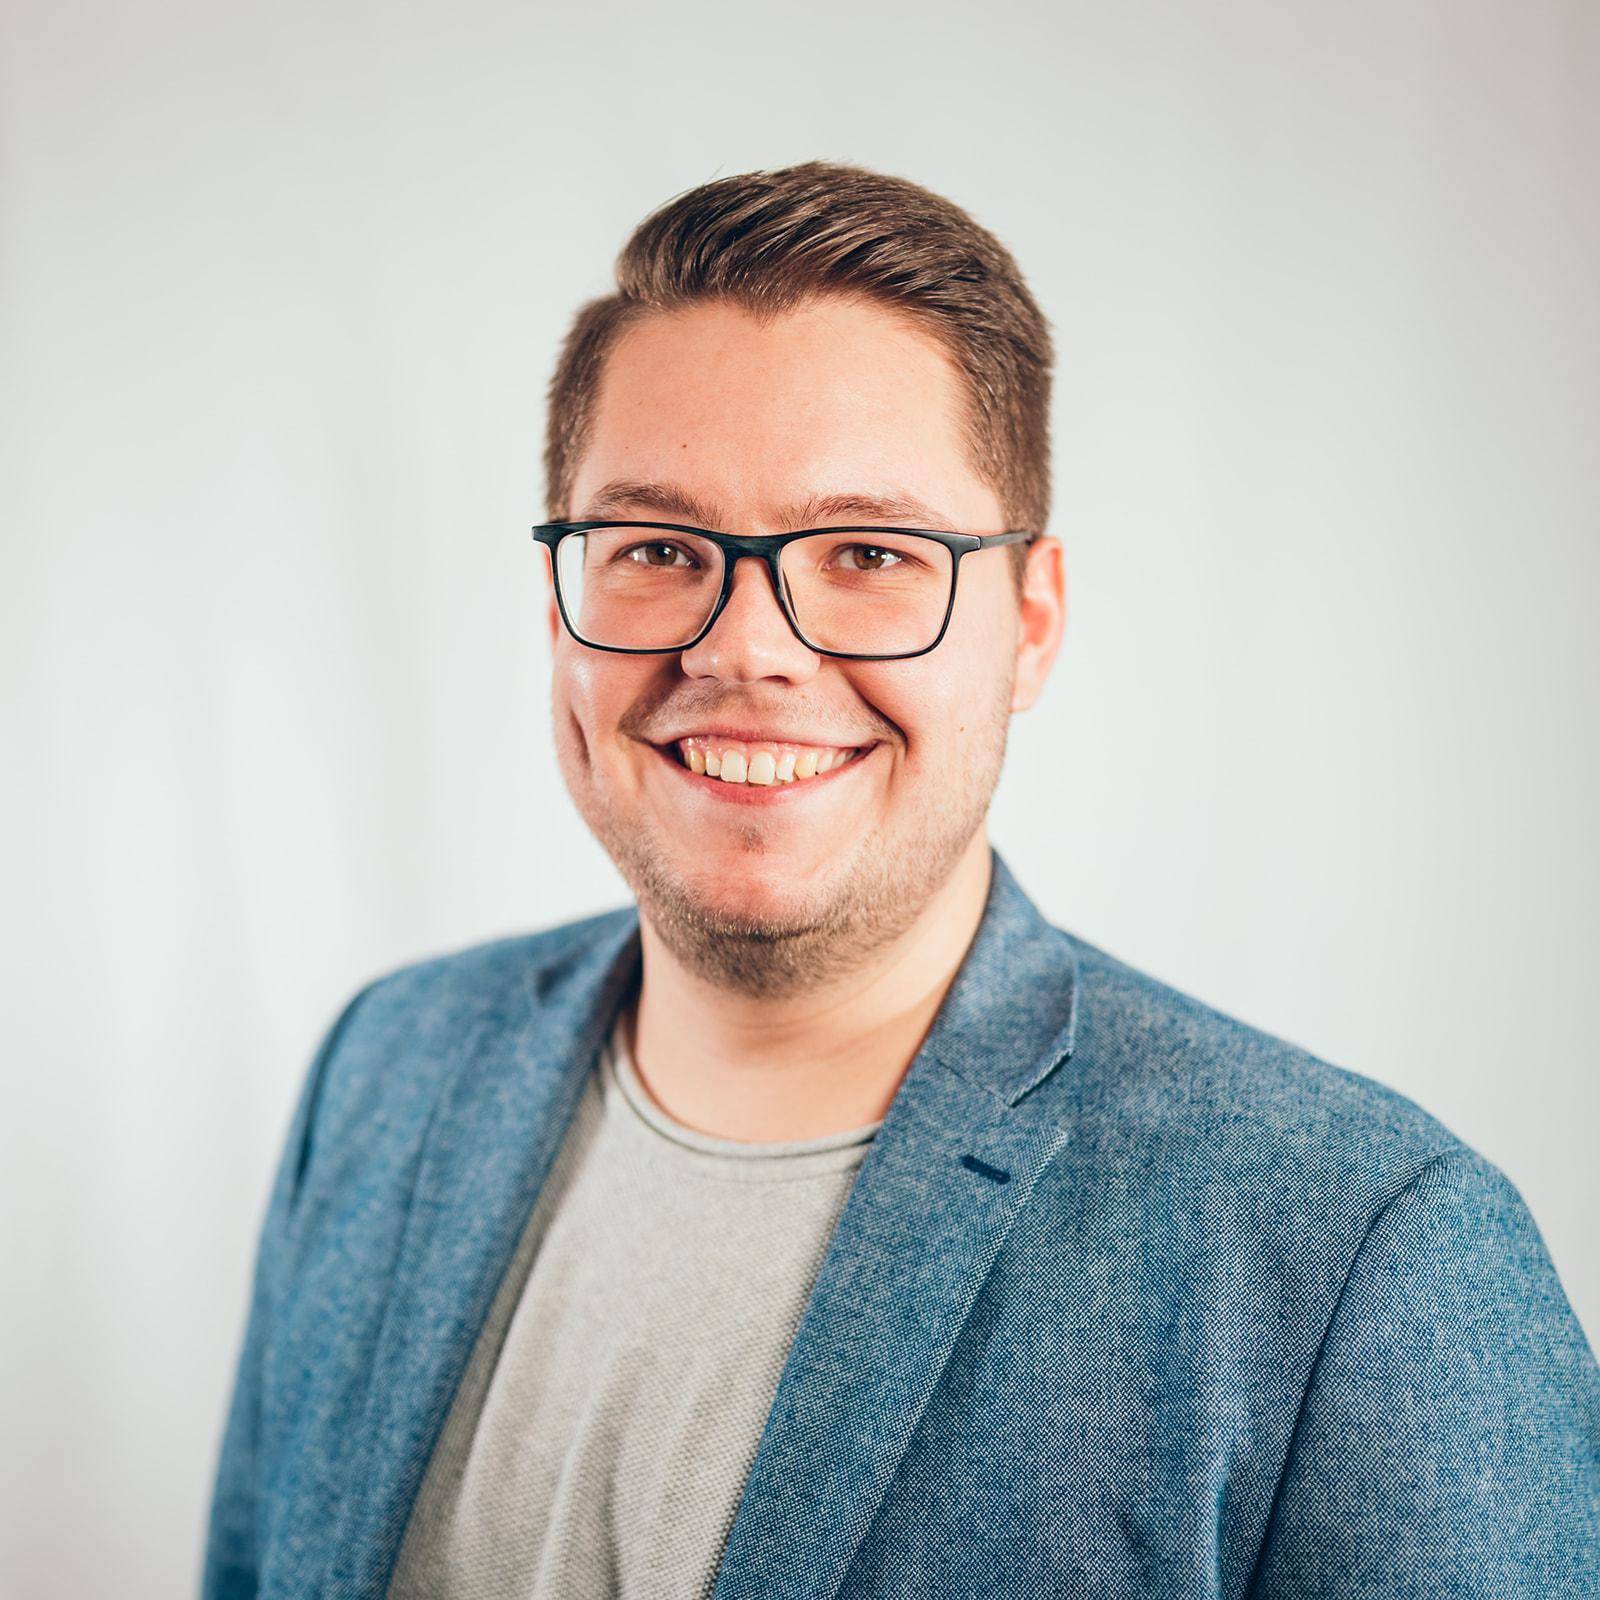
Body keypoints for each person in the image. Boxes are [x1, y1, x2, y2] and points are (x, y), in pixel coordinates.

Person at [202, 161, 1599, 1600]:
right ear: (559, 603)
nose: (746, 648)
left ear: (1031, 622)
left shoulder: (1363, 1254)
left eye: (868, 552)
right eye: (658, 547)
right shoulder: (388, 1069)